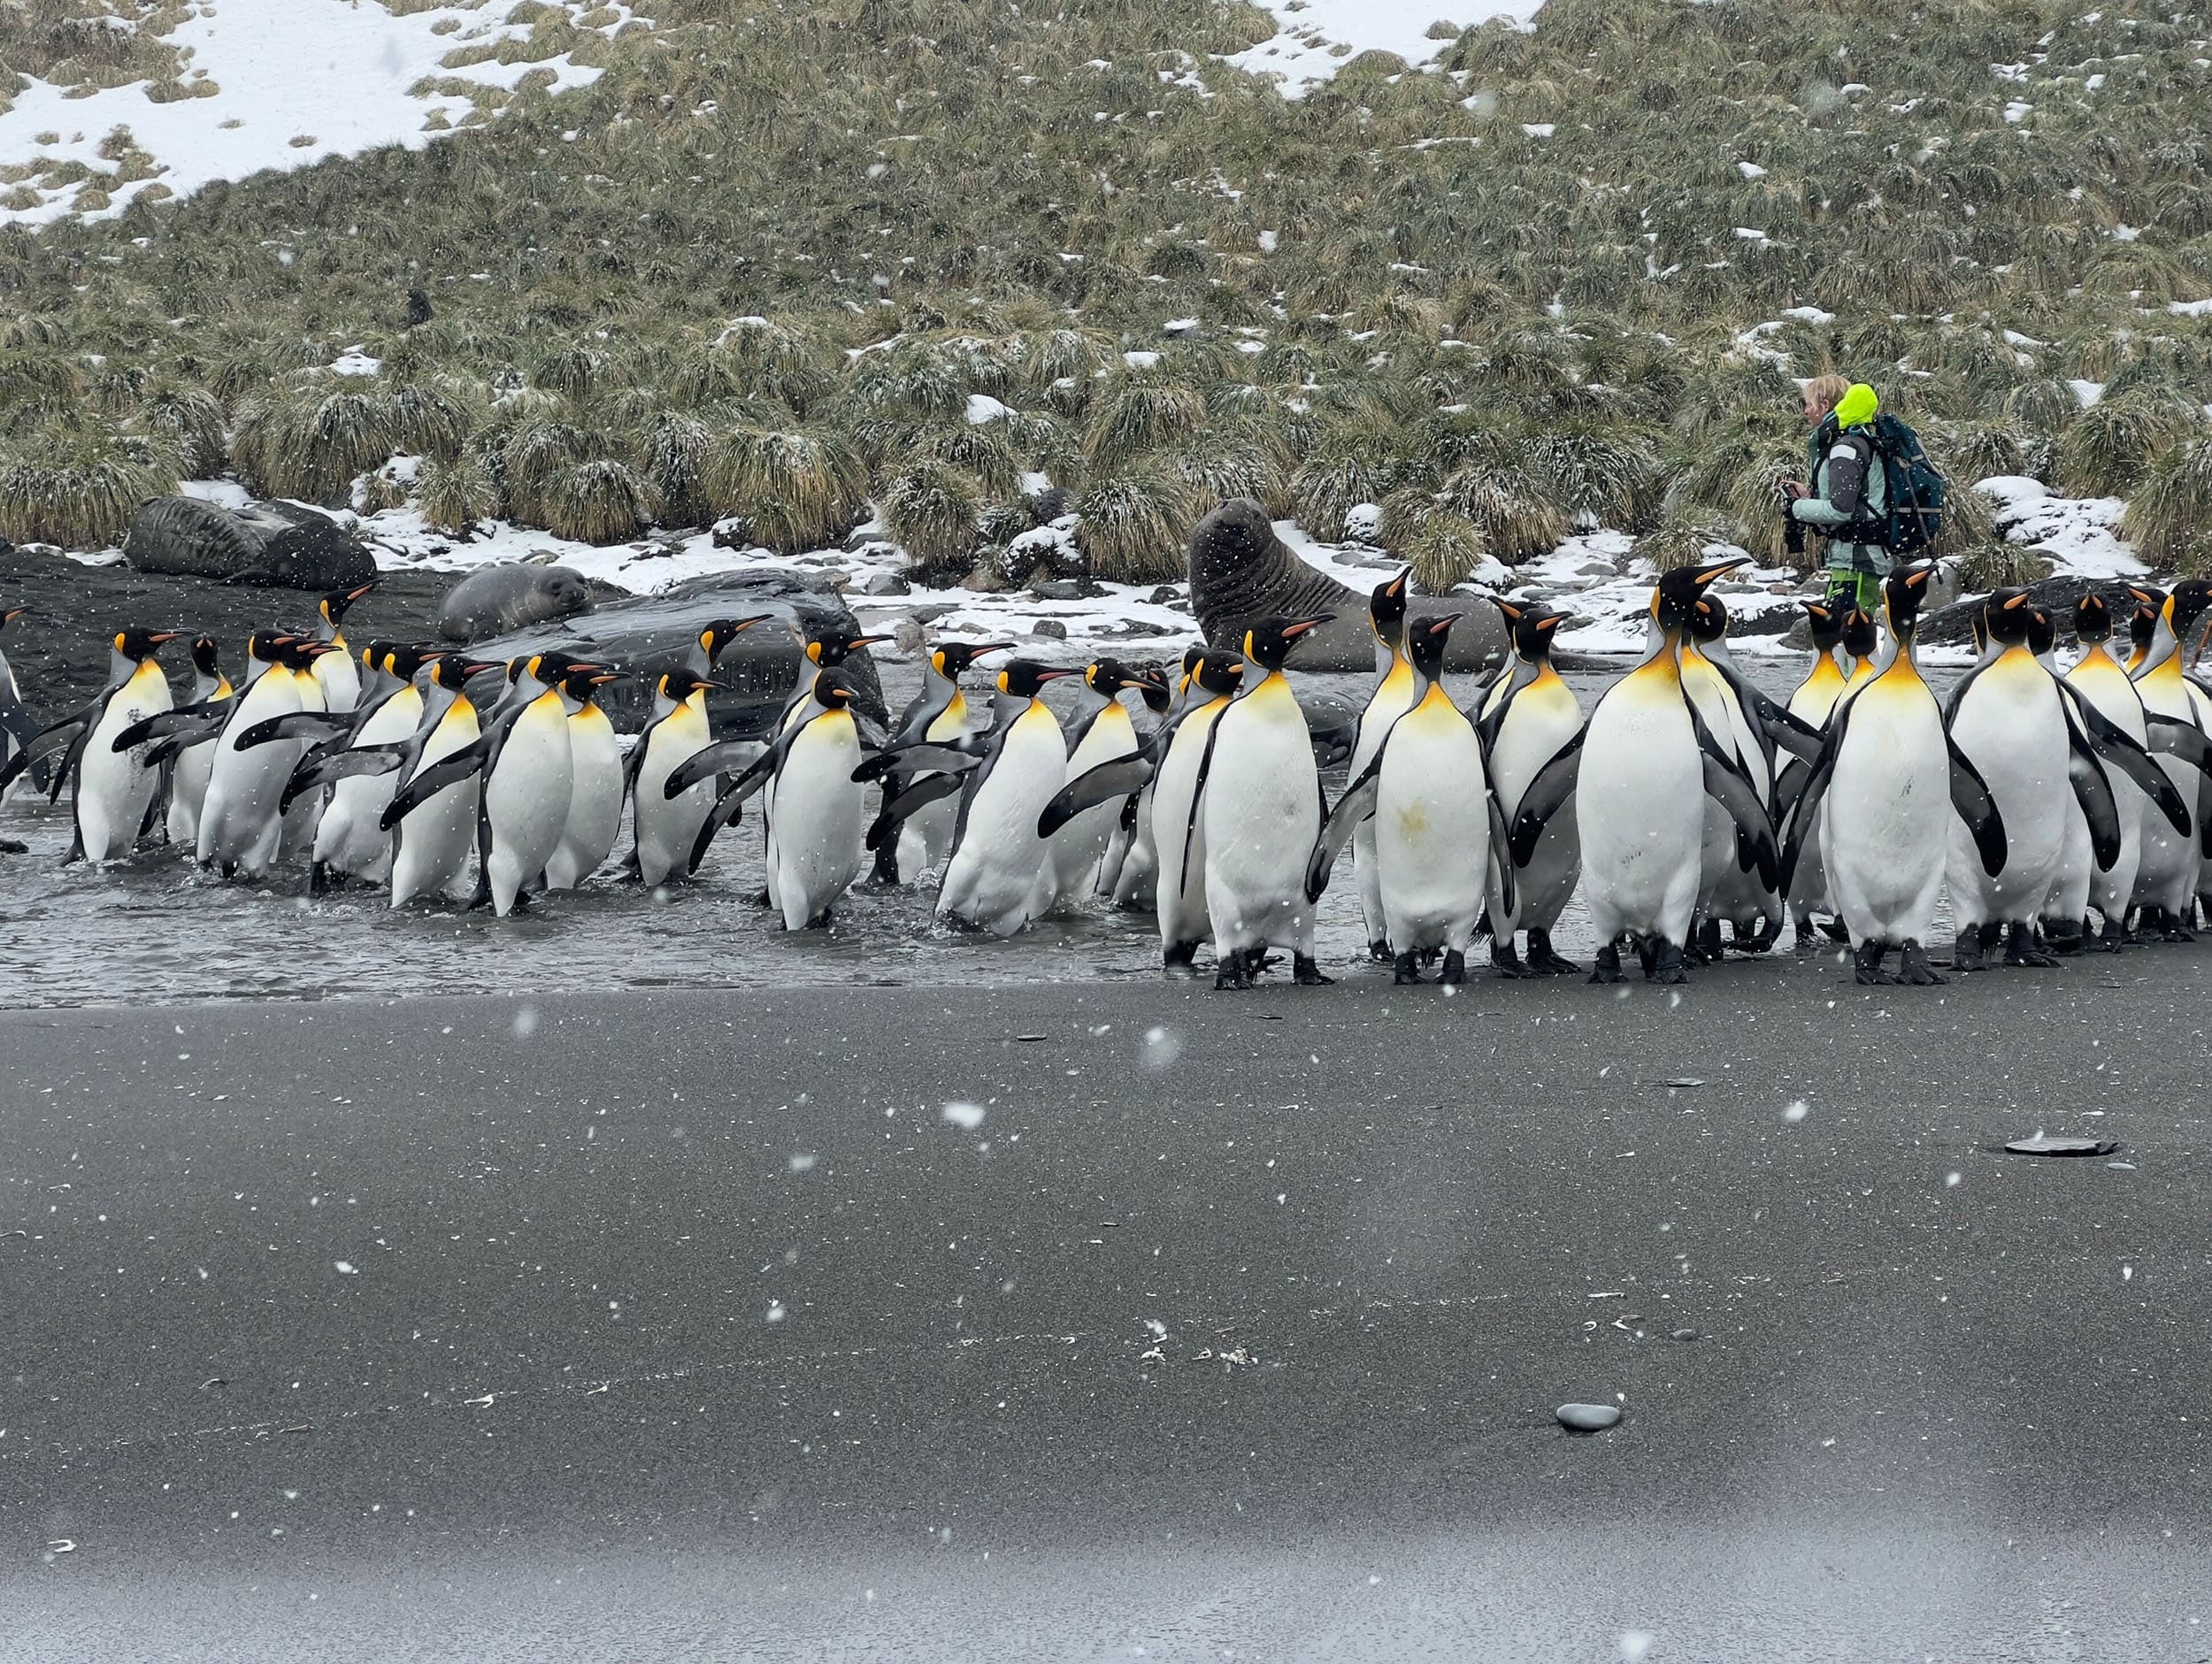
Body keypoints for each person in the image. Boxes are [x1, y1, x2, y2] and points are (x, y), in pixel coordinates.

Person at [1782, 377, 1889, 615]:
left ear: (1825, 405)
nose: (1805, 411)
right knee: (1847, 637)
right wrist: (1808, 497)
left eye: (1809, 404)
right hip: (1854, 558)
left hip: (1857, 558)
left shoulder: (1846, 447)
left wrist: (1796, 507)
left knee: (1849, 636)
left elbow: (1840, 509)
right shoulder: (1856, 441)